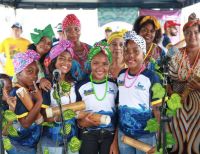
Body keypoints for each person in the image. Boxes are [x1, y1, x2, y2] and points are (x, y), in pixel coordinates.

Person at [116, 31, 160, 154]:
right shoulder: (120, 75)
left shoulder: (152, 77)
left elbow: (158, 109)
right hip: (124, 134)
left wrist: (160, 138)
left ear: (144, 53)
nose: (131, 55)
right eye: (127, 51)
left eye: (136, 51)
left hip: (146, 135)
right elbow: (119, 105)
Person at [75, 42, 118, 154]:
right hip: (87, 134)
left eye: (105, 64)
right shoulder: (81, 86)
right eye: (96, 63)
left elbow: (119, 113)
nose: (100, 67)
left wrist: (116, 139)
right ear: (90, 63)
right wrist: (82, 123)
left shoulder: (115, 85)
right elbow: (76, 113)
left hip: (110, 135)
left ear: (109, 64)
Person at [40, 40, 80, 154]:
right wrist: (58, 118)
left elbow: (79, 107)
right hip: (52, 135)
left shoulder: (74, 83)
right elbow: (43, 114)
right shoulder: (47, 83)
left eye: (69, 60)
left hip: (72, 135)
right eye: (61, 58)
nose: (66, 63)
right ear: (54, 60)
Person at [168, 18, 200, 154]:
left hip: (198, 104)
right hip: (176, 99)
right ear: (184, 35)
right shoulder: (175, 53)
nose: (192, 36)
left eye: (196, 32)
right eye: (187, 33)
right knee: (173, 131)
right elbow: (164, 75)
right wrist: (169, 91)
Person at [7, 50, 45, 154]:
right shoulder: (17, 93)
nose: (35, 76)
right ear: (18, 74)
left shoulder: (28, 91)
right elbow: (26, 123)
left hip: (29, 145)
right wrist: (39, 100)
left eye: (36, 72)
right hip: (20, 147)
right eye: (30, 71)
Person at [62, 14, 91, 81]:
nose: (73, 33)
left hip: (90, 88)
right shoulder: (60, 51)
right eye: (68, 30)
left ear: (80, 30)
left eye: (76, 29)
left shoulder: (90, 49)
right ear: (64, 33)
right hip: (70, 88)